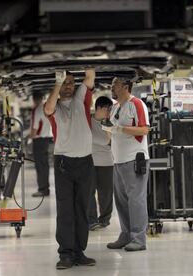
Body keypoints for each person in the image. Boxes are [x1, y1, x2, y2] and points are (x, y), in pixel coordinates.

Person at [44, 69, 96, 269]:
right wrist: (57, 83)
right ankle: (65, 254)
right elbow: (48, 109)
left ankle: (79, 251)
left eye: (71, 82)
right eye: (65, 83)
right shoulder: (54, 105)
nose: (68, 86)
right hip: (64, 163)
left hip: (85, 162)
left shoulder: (80, 99)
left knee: (82, 208)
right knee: (65, 209)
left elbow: (90, 78)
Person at [102, 77, 150, 252]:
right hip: (118, 160)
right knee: (121, 201)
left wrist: (120, 129)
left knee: (136, 200)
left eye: (114, 84)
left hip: (134, 160)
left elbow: (144, 129)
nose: (112, 87)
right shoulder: (115, 107)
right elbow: (111, 131)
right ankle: (126, 234)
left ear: (125, 87)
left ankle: (139, 238)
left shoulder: (136, 104)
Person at [89, 96, 114, 231]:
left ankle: (104, 219)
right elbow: (104, 140)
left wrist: (108, 125)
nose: (109, 112)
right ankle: (91, 220)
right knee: (89, 192)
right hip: (90, 162)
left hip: (107, 162)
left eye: (110, 110)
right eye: (107, 109)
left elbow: (108, 141)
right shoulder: (88, 121)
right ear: (98, 108)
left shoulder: (109, 122)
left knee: (106, 193)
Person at [30, 93, 53, 197]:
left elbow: (35, 127)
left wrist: (31, 137)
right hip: (46, 139)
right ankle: (45, 189)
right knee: (45, 166)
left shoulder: (37, 110)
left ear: (34, 99)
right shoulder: (45, 108)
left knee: (40, 166)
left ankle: (42, 189)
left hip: (39, 140)